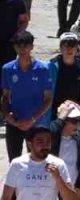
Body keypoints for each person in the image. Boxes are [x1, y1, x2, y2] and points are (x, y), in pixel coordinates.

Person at [2, 30, 52, 159]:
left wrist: (32, 119)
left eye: (26, 45)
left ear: (31, 47)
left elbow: (48, 99)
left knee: (38, 159)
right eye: (19, 45)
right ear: (14, 47)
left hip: (37, 123)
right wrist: (7, 115)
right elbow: (5, 96)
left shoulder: (42, 69)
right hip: (15, 122)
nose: (22, 49)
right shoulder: (7, 69)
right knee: (14, 160)